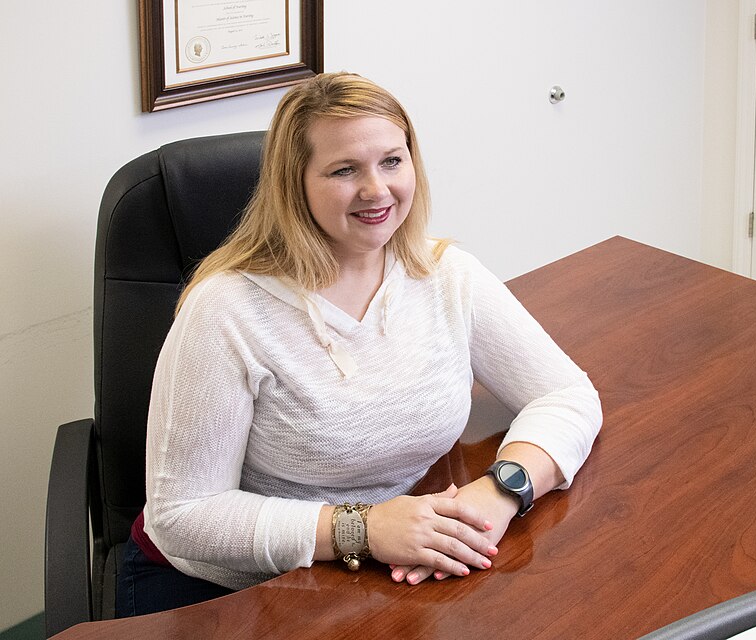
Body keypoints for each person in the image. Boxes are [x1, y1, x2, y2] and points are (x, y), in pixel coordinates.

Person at [116, 72, 602, 617]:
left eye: (392, 161)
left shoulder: (446, 275)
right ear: (293, 183)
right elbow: (183, 517)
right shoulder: (227, 310)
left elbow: (567, 394)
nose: (377, 190)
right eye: (344, 170)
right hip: (230, 590)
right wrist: (362, 529)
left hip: (388, 568)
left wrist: (500, 493)